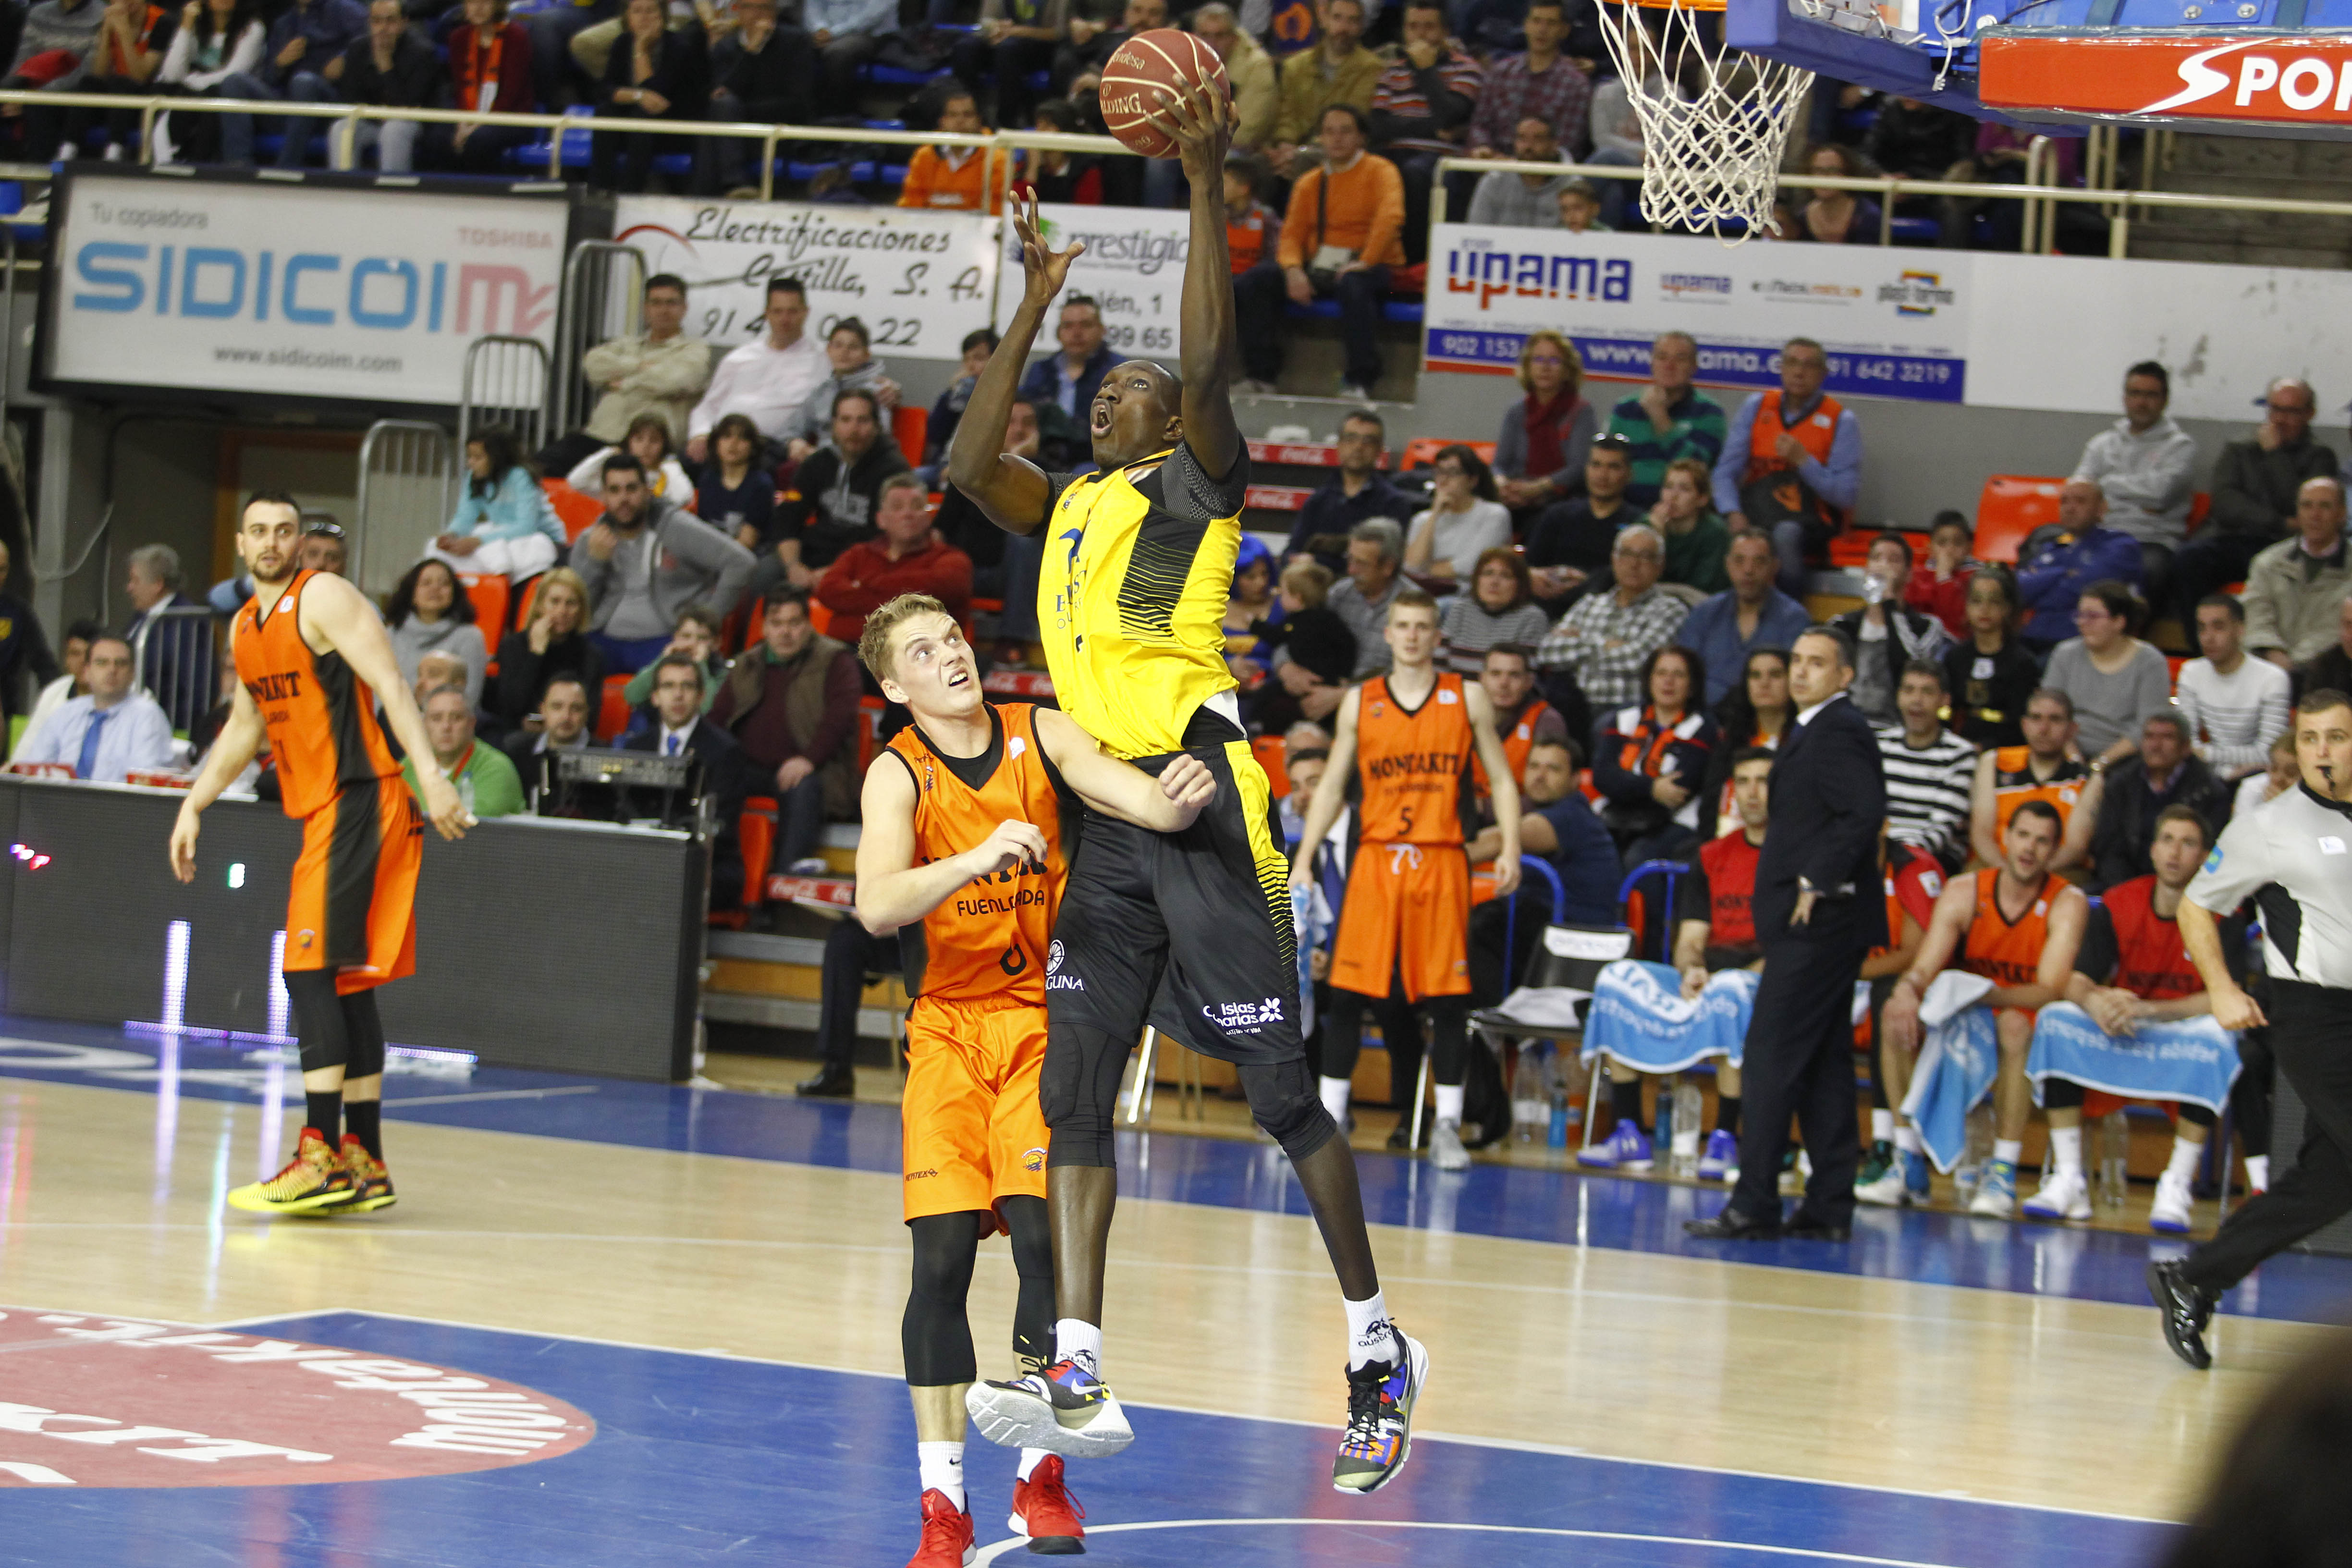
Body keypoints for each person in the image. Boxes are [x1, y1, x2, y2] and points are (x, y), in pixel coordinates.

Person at [949, 91, 1428, 1490]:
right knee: (1075, 1090)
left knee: (1281, 1097)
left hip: (1205, 790)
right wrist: (1036, 303)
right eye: (1102, 389)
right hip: (1110, 809)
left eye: (1134, 389)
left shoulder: (1192, 486)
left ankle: (1377, 1344)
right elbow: (969, 465)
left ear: (1174, 423)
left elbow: (1213, 364)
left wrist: (1209, 185)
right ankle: (1077, 1356)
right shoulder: (1069, 501)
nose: (1111, 397)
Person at [854, 599, 1225, 1565]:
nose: (951, 657)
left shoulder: (1039, 730)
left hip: (1041, 1023)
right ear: (894, 684)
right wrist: (974, 857)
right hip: (947, 1030)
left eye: (954, 638)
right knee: (940, 1262)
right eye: (924, 651)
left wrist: (1177, 798)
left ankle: (1040, 1479)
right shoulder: (897, 772)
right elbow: (876, 905)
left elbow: (1133, 795)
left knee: (1042, 1246)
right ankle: (943, 1506)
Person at [172, 491, 468, 1218]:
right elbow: (245, 727)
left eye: (285, 531)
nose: (272, 542)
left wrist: (432, 777)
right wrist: (194, 801)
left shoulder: (323, 597)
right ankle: (365, 1160)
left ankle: (319, 1157)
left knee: (306, 971)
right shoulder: (246, 627)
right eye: (260, 532)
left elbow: (391, 683)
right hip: (333, 810)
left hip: (362, 797)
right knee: (345, 982)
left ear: (299, 540)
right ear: (241, 545)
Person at [2148, 689, 2352, 1370]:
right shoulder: (2268, 826)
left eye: (2337, 737)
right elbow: (2197, 907)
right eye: (2311, 739)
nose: (2323, 751)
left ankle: (2194, 1278)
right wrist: (2221, 987)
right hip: (2315, 1016)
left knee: (2328, 1182)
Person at [1291, 589, 1521, 1169]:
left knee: (1447, 997)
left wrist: (1512, 846)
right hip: (1377, 858)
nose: (1414, 635)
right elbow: (1332, 786)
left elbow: (1501, 778)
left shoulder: (1466, 697)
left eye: (1423, 626)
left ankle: (1446, 1126)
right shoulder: (1360, 701)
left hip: (1441, 857)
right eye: (1404, 625)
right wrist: (1305, 856)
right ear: (1389, 633)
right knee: (1348, 990)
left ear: (1437, 636)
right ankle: (1330, 1122)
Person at [1686, 627, 1886, 1242]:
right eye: (1796, 661)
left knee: (1769, 1057)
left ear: (1844, 675)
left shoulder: (1839, 728)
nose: (1800, 672)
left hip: (1820, 922)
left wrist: (1818, 879)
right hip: (1819, 924)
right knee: (1823, 1063)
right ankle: (1829, 1205)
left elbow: (1865, 810)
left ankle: (1755, 1202)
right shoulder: (1812, 727)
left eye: (1816, 663)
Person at [1880, 799, 2090, 1219]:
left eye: (2042, 841)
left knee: (2014, 1026)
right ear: (2005, 838)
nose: (2029, 849)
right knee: (1895, 1014)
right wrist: (1907, 989)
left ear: (2055, 851)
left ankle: (2003, 1171)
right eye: (2023, 836)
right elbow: (1924, 967)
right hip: (1969, 1010)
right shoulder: (1965, 891)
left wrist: (1980, 994)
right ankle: (1907, 1161)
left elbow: (2049, 990)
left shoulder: (2067, 901)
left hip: (2020, 1014)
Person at [1657, 746, 1772, 1180]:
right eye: (1743, 782)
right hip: (1715, 972)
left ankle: (1724, 1136)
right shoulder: (1711, 856)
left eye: (1763, 781)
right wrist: (1692, 969)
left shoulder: (1796, 857)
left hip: (1768, 978)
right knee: (1618, 979)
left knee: (1731, 993)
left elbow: (1794, 947)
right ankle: (1628, 1130)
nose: (1753, 793)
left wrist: (1734, 980)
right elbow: (1690, 940)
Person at [1241, 104, 1403, 402]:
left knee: (1354, 286)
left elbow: (1389, 219)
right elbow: (1291, 234)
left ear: (1362, 137)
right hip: (1321, 265)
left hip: (1373, 264)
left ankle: (1360, 380)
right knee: (1254, 282)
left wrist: (1365, 261)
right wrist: (1293, 270)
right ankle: (1261, 376)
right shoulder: (1309, 182)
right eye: (1329, 132)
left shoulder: (1382, 171)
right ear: (1320, 139)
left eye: (1346, 131)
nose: (1337, 139)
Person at [710, 589, 860, 874]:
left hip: (814, 769)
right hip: (748, 767)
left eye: (794, 623)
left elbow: (840, 719)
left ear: (809, 625)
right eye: (777, 624)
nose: (785, 633)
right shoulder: (746, 664)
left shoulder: (835, 660)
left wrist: (808, 759)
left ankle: (786, 877)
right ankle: (718, 873)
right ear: (764, 628)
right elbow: (718, 718)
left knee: (803, 787)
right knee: (717, 781)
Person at [2173, 377, 2339, 625]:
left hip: (2283, 545)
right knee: (2188, 561)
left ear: (2309, 414)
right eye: (2275, 409)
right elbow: (2225, 505)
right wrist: (2281, 521)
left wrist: (2275, 455)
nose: (2280, 420)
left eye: (2291, 412)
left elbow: (2301, 505)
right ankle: (2203, 643)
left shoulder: (2320, 456)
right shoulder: (2239, 449)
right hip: (2234, 537)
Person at [570, 453, 754, 675]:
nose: (624, 499)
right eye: (615, 491)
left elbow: (741, 562)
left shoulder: (676, 527)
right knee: (564, 669)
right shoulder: (591, 541)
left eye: (632, 489)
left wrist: (707, 621)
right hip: (604, 640)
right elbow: (577, 609)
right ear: (604, 497)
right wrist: (596, 562)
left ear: (648, 491)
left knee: (667, 688)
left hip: (665, 640)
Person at [1713, 337, 1862, 599]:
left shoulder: (1841, 419)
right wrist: (1732, 512)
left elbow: (1845, 495)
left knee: (1786, 534)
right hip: (1757, 509)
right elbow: (1724, 473)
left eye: (1809, 365)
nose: (1799, 372)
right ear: (1781, 368)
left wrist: (1804, 461)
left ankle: (1788, 613)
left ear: (1823, 374)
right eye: (1792, 363)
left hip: (1809, 519)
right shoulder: (1757, 407)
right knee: (1716, 531)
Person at [1850, 833, 1946, 1207]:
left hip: (1921, 982)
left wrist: (1845, 972)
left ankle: (1892, 1147)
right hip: (1861, 975)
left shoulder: (1913, 869)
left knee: (1888, 1000)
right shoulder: (1833, 863)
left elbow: (1915, 953)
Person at [620, 652, 754, 900]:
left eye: (687, 686)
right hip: (644, 858)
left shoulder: (725, 751)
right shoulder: (635, 748)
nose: (678, 695)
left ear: (701, 696)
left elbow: (720, 823)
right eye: (668, 686)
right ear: (655, 697)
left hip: (707, 863)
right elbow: (623, 810)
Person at [543, 275, 709, 473]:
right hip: (600, 435)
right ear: (646, 308)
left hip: (649, 445)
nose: (663, 310)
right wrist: (639, 366)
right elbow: (592, 364)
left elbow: (676, 381)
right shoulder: (627, 344)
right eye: (656, 303)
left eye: (671, 303)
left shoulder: (696, 350)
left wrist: (624, 383)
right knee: (539, 467)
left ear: (684, 308)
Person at [2070, 360, 2196, 611]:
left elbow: (2160, 494)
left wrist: (2105, 487)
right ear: (2125, 398)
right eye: (2135, 393)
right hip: (2098, 534)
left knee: (2151, 570)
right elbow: (2079, 494)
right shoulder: (2101, 444)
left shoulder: (2181, 447)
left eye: (2151, 395)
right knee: (2047, 546)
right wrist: (2140, 499)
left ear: (2165, 400)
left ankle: (2128, 634)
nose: (2141, 402)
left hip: (2150, 541)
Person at [1366, 0, 1481, 264]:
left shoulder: (1466, 69)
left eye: (1429, 27)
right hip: (1394, 151)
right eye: (1413, 27)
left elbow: (1450, 115)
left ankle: (1415, 262)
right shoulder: (1392, 71)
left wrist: (1425, 70)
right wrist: (1433, 128)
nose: (1420, 35)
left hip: (1440, 158)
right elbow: (1378, 126)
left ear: (1445, 32)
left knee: (1414, 173)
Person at [767, 389, 915, 592]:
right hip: (814, 554)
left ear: (877, 426)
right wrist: (793, 566)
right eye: (846, 420)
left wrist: (837, 571)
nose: (853, 429)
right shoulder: (817, 463)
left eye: (862, 420)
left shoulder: (894, 471)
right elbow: (788, 517)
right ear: (834, 425)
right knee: (764, 572)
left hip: (867, 563)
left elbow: (890, 538)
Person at [1534, 523, 1687, 716]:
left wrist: (1579, 643)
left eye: (1645, 557)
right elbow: (1547, 651)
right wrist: (1607, 645)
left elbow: (1638, 660)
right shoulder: (1589, 603)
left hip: (1626, 709)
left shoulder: (1670, 610)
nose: (1634, 564)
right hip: (1574, 703)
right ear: (1614, 560)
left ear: (1660, 566)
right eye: (1627, 554)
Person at [1591, 642, 1715, 868]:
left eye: (1679, 675)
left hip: (1676, 820)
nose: (1669, 681)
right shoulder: (1623, 718)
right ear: (1649, 681)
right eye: (1661, 673)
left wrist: (1625, 785)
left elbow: (1681, 787)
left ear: (1692, 686)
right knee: (1591, 850)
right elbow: (1602, 775)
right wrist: (1652, 788)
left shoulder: (1704, 727)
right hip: (1617, 814)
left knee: (1639, 858)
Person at [1470, 734, 1616, 924]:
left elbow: (1498, 840)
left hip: (1576, 930)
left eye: (1553, 769)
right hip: (1544, 918)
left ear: (1575, 779)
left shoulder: (1572, 815)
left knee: (1480, 922)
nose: (1539, 776)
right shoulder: (1539, 810)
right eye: (1533, 766)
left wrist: (1440, 855)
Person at [816, 475, 974, 649]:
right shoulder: (858, 554)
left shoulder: (951, 558)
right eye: (897, 507)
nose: (907, 514)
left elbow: (941, 587)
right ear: (881, 519)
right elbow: (827, 590)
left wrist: (864, 585)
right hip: (846, 650)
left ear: (928, 516)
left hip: (920, 654)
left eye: (917, 506)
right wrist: (905, 602)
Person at [687, 276, 828, 467]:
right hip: (725, 442)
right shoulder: (739, 358)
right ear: (767, 313)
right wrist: (700, 434)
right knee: (682, 465)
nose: (785, 319)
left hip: (773, 448)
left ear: (806, 313)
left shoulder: (822, 360)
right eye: (778, 312)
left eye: (792, 312)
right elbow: (709, 406)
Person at [212, 0, 364, 168]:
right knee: (234, 81)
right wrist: (279, 64)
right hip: (288, 107)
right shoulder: (284, 23)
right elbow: (268, 78)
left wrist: (345, 59)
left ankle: (286, 168)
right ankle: (238, 166)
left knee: (304, 82)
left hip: (329, 108)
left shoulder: (345, 9)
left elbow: (370, 41)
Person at [2088, 711, 2230, 890]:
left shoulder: (2211, 792)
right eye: (2150, 737)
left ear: (2186, 747)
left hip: (2187, 888)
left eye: (2167, 738)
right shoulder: (2120, 783)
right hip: (2124, 885)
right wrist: (2129, 891)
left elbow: (2212, 855)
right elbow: (2108, 848)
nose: (2156, 746)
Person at [1969, 686, 2101, 872]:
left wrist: (2032, 877)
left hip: (2058, 872)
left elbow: (2075, 848)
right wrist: (2010, 876)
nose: (2044, 729)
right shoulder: (1994, 763)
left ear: (2072, 729)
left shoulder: (2088, 778)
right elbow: (1982, 835)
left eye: (2055, 719)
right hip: (1996, 866)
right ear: (2024, 725)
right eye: (2036, 718)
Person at [1676, 529, 1813, 708]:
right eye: (1739, 561)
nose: (1748, 570)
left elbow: (1792, 682)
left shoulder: (1794, 619)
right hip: (1703, 716)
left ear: (1775, 566)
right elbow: (1683, 670)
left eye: (1759, 561)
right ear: (1727, 565)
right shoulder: (1704, 613)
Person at [2044, 579, 2173, 765]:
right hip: (2065, 753)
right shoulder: (2065, 654)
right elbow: (2050, 713)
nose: (2082, 623)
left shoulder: (2150, 662)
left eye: (2093, 616)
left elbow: (2148, 726)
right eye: (2080, 615)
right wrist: (2074, 761)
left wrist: (2101, 764)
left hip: (2127, 759)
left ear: (2119, 622)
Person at [12, 633, 174, 780]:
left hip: (117, 802)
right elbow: (34, 768)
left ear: (133, 673)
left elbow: (143, 780)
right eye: (102, 663)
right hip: (60, 800)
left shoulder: (148, 715)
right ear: (87, 671)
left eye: (121, 664)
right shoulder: (65, 713)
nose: (112, 670)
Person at [694, 0, 812, 195]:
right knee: (721, 110)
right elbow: (722, 94)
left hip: (778, 131)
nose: (757, 14)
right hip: (735, 133)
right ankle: (734, 187)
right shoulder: (725, 47)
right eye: (749, 7)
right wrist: (751, 52)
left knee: (718, 122)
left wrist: (740, 111)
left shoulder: (796, 42)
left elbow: (799, 104)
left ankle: (717, 195)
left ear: (775, 12)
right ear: (737, 11)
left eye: (765, 7)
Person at [1830, 532, 1948, 725]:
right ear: (1867, 569)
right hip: (1846, 726)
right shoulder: (1841, 625)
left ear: (1909, 574)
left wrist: (1890, 605)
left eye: (1893, 560)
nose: (1883, 566)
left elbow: (1914, 664)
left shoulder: (1927, 627)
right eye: (1876, 558)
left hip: (1898, 728)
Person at [2169, 594, 2287, 788]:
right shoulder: (2191, 672)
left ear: (2240, 630)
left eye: (2218, 627)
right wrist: (2223, 772)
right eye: (2202, 628)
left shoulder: (2273, 678)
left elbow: (2270, 752)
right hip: (2207, 776)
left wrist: (2208, 754)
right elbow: (2186, 745)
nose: (2208, 637)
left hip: (2257, 778)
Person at [1282, 409, 1415, 573]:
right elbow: (1291, 552)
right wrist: (1296, 561)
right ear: (1339, 445)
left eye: (1368, 441)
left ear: (1380, 449)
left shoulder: (1394, 503)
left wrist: (1318, 562)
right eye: (1351, 438)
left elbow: (1385, 565)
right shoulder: (1318, 500)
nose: (1359, 447)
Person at [2242, 475, 2352, 669]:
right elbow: (2256, 615)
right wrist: (2274, 654)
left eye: (2325, 506)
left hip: (2330, 671)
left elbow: (2339, 630)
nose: (2315, 515)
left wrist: (2294, 666)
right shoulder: (2267, 563)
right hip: (2267, 666)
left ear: (2341, 513)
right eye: (2307, 506)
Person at [1608, 332, 1725, 510]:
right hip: (1628, 509)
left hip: (1685, 511)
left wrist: (1660, 417)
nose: (1669, 366)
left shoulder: (1709, 413)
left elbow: (1697, 470)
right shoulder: (1625, 409)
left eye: (1680, 359)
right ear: (1652, 363)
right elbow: (1609, 466)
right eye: (1662, 357)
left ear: (1694, 367)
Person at [1877, 660, 1975, 871]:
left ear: (1945, 701)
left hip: (1930, 859)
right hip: (1878, 853)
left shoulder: (1961, 754)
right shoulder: (1878, 745)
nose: (1917, 700)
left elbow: (1942, 829)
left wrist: (1895, 857)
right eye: (1909, 690)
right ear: (1898, 697)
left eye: (1927, 692)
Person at [435, 426, 568, 580]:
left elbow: (526, 526)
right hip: (506, 537)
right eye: (469, 457)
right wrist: (451, 535)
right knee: (439, 548)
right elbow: (465, 517)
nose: (470, 463)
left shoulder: (520, 477)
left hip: (543, 541)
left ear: (497, 458)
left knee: (491, 546)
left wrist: (478, 541)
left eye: (478, 458)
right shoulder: (474, 478)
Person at [318, 0, 436, 172]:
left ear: (404, 22)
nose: (383, 28)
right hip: (372, 120)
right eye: (376, 21)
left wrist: (386, 66)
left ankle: (392, 187)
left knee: (394, 129)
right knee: (342, 128)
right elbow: (351, 98)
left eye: (390, 21)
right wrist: (378, 114)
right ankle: (343, 186)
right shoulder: (357, 49)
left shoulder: (422, 53)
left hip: (412, 123)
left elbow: (409, 106)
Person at [1523, 432, 1636, 610]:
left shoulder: (1636, 524)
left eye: (1613, 467)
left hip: (1606, 610)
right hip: (1547, 606)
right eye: (1596, 465)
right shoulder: (1557, 515)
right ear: (1586, 469)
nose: (1603, 475)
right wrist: (1533, 575)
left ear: (1629, 474)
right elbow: (1530, 564)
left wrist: (1587, 582)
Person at [1464, 0, 1589, 160]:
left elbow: (1568, 142)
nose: (1542, 30)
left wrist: (1516, 162)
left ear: (1564, 31)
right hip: (1494, 163)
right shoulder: (1499, 73)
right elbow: (1480, 124)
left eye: (1551, 23)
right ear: (1526, 25)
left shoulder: (1576, 84)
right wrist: (1484, 148)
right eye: (1536, 21)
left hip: (1546, 166)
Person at [57, 0, 177, 163]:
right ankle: (68, 148)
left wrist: (124, 32)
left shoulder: (162, 21)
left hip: (146, 98)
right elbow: (99, 74)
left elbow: (140, 76)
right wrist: (106, 33)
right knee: (89, 83)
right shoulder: (110, 18)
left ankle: (115, 150)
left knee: (123, 84)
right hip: (115, 97)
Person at [1492, 330, 1593, 522]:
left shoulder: (1581, 412)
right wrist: (1502, 485)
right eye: (1538, 359)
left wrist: (1537, 488)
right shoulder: (1516, 412)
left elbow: (1579, 468)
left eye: (1554, 360)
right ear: (1528, 367)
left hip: (1561, 501)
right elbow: (1499, 465)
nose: (1545, 367)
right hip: (1514, 499)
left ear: (1567, 370)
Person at [1268, 0, 1379, 175]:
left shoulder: (1371, 68)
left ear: (1360, 27)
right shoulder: (1295, 66)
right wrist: (1285, 144)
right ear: (1323, 19)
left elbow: (1352, 117)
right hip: (1294, 150)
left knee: (1303, 162)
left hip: (1339, 148)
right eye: (1337, 18)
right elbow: (1287, 115)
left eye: (1352, 21)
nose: (1344, 28)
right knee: (1256, 165)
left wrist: (1301, 153)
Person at [424, 0, 535, 173]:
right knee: (438, 138)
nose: (478, 8)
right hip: (469, 113)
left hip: (511, 117)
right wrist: (463, 123)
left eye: (485, 2)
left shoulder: (516, 36)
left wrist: (477, 125)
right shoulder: (459, 38)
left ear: (497, 5)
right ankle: (448, 187)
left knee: (478, 140)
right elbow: (460, 88)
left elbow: (510, 95)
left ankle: (480, 187)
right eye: (473, 2)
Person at [490, 567, 603, 734]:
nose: (562, 611)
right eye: (555, 602)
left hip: (568, 735)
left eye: (571, 603)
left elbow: (590, 717)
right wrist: (536, 654)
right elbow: (510, 707)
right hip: (518, 734)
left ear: (581, 611)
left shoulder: (591, 654)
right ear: (540, 606)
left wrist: (551, 726)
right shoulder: (514, 645)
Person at [153, 0, 264, 163]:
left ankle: (198, 162)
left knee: (212, 94)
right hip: (193, 99)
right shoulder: (197, 26)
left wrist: (192, 81)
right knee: (167, 93)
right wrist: (186, 27)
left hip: (234, 104)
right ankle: (174, 155)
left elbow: (234, 75)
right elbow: (172, 75)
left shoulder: (253, 29)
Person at [1943, 565, 2039, 749]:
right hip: (1958, 745)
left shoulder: (2022, 663)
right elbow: (1946, 710)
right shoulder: (1955, 657)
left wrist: (1984, 747)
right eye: (1976, 601)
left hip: (2004, 749)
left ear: (2008, 608)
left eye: (1994, 602)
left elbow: (2020, 723)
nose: (1984, 609)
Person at [1254, 559, 1357, 731]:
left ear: (1298, 598)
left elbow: (1277, 637)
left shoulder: (1294, 622)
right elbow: (1348, 645)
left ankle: (1257, 727)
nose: (1279, 598)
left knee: (1265, 694)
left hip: (1308, 679)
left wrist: (1255, 625)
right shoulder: (1332, 619)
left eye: (1283, 594)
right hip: (1328, 679)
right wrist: (1343, 674)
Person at [122, 541, 213, 733]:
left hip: (169, 727)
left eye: (135, 581)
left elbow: (195, 685)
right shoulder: (142, 617)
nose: (129, 588)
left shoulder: (186, 621)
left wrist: (182, 732)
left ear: (158, 584)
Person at [786, 317, 902, 461]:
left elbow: (875, 441)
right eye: (838, 345)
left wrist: (817, 455)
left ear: (866, 355)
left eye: (853, 347)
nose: (844, 352)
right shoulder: (821, 391)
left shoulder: (879, 392)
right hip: (818, 462)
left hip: (858, 463)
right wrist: (794, 442)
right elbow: (790, 428)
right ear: (828, 350)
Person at [404, 683, 524, 820]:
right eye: (436, 718)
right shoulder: (409, 766)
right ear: (423, 724)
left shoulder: (497, 768)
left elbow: (474, 825)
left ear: (472, 723)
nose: (446, 727)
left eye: (456, 718)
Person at [385, 558, 488, 710]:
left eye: (444, 584)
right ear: (412, 593)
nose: (435, 588)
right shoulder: (390, 635)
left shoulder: (470, 637)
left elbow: (469, 699)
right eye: (426, 583)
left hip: (447, 721)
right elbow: (378, 693)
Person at [1403, 444, 1509, 587]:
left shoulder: (1494, 515)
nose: (1443, 480)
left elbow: (1472, 567)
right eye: (1439, 472)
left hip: (1468, 591)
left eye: (1453, 472)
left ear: (1472, 480)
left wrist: (1425, 571)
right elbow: (1411, 567)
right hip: (1423, 591)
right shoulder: (1422, 519)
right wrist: (1435, 513)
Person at [1015, 296, 1115, 436]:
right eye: (1068, 326)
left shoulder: (1117, 372)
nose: (1076, 333)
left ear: (1102, 330)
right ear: (1058, 333)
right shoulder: (1041, 371)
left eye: (1086, 325)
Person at [1322, 516, 1408, 680]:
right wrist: (1286, 665)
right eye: (1350, 559)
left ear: (1388, 567)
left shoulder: (1413, 607)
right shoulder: (1339, 593)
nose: (1351, 570)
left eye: (1361, 564)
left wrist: (1347, 692)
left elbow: (1408, 675)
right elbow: (1300, 629)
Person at [898, 87, 1008, 214]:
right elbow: (911, 203)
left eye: (968, 115)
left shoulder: (997, 158)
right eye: (953, 115)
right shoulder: (925, 155)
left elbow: (996, 211)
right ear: (942, 121)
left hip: (977, 225)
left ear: (979, 120)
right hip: (930, 223)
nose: (960, 121)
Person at [1439, 549, 1548, 676]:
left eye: (1506, 576)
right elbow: (1438, 663)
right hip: (1454, 688)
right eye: (1488, 573)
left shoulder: (1532, 618)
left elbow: (1522, 676)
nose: (1494, 582)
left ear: (1520, 584)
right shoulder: (1460, 610)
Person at [565, 412, 698, 509]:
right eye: (639, 439)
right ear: (628, 442)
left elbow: (684, 497)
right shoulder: (618, 478)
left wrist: (669, 464)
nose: (646, 446)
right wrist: (609, 453)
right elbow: (576, 481)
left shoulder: (667, 476)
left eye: (654, 441)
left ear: (664, 446)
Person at [0, 540, 58, 760]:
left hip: (3, 714)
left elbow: (45, 665)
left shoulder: (17, 611)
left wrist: (56, 703)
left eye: (2, 570)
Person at [620, 604, 725, 721]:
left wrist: (701, 664)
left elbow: (708, 711)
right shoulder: (664, 663)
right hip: (656, 724)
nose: (693, 644)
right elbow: (632, 696)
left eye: (703, 638)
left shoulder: (721, 672)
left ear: (717, 643)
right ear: (676, 637)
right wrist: (662, 661)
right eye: (686, 636)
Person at [1466, 114, 1570, 228]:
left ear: (1554, 144)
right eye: (1522, 138)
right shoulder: (1494, 181)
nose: (1528, 147)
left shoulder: (1572, 185)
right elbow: (1476, 230)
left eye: (1538, 139)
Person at [1649, 457, 1730, 596]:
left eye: (1684, 489)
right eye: (1668, 487)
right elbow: (1639, 582)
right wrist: (1657, 536)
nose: (1673, 496)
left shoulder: (1715, 533)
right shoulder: (1647, 526)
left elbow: (1703, 591)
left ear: (1702, 499)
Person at [502, 671, 593, 796]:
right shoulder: (515, 751)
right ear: (543, 710)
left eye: (576, 709)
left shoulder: (608, 756)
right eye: (557, 707)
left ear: (587, 713)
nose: (566, 717)